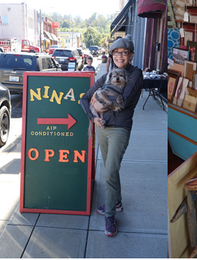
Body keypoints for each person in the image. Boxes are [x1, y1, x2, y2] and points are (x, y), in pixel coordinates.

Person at [80, 35, 142, 237]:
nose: (120, 56)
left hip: (120, 129)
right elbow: (84, 98)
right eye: (116, 53)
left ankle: (109, 215)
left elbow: (122, 102)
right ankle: (116, 201)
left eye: (124, 52)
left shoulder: (135, 74)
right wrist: (93, 116)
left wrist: (99, 100)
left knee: (109, 172)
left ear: (131, 55)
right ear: (111, 56)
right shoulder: (107, 75)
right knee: (110, 170)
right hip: (102, 127)